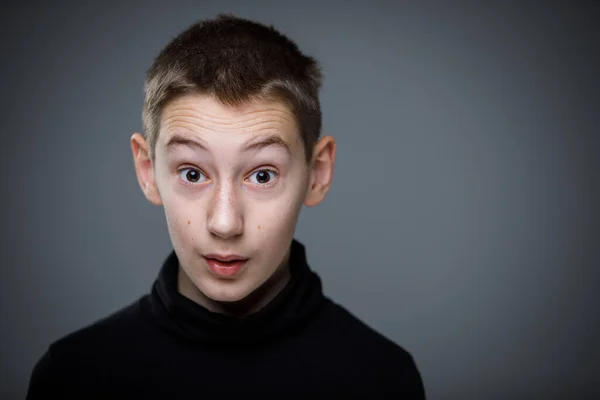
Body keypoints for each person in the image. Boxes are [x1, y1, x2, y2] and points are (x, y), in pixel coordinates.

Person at [26, 14, 426, 398]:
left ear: (317, 173)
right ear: (148, 170)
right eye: (193, 174)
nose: (224, 223)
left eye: (263, 175)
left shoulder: (381, 379)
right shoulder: (72, 376)